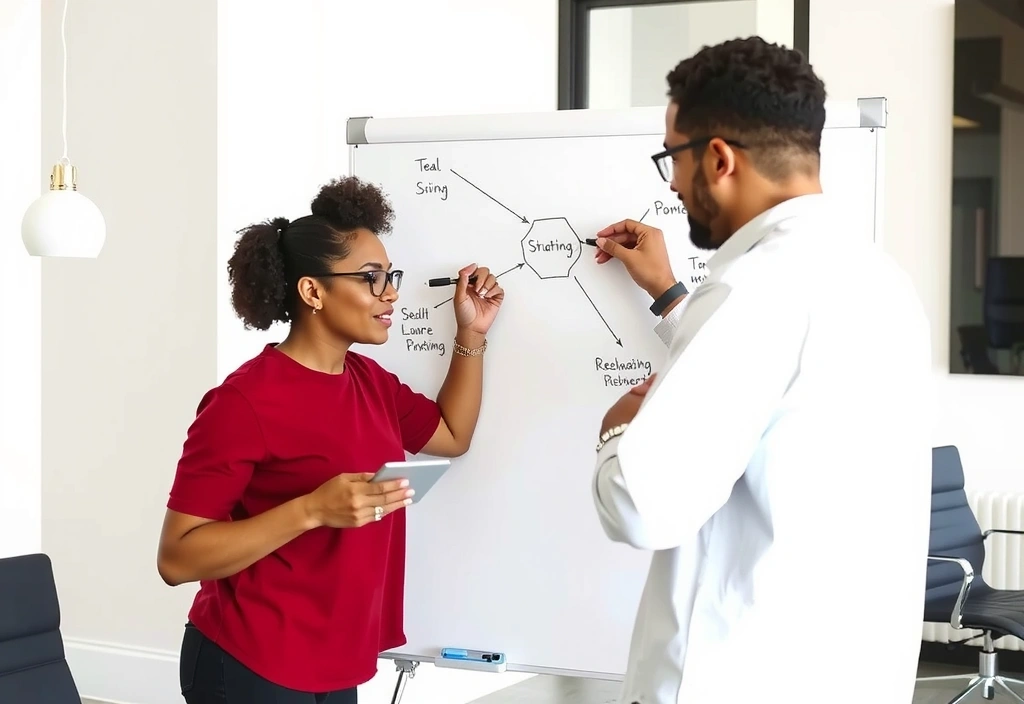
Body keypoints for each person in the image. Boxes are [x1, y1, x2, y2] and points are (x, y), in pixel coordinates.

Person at [589, 37, 932, 703]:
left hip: (733, 679)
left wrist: (616, 432)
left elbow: (639, 506)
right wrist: (669, 298)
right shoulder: (881, 282)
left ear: (717, 158)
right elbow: (781, 400)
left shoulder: (756, 288)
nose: (671, 182)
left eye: (673, 157)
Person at [156, 176, 504, 704]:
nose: (390, 293)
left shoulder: (369, 381)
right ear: (313, 291)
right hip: (252, 657)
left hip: (338, 657)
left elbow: (452, 435)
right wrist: (312, 509)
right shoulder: (242, 402)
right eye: (371, 278)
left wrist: (471, 334)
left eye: (391, 276)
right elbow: (176, 559)